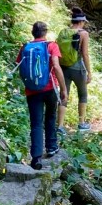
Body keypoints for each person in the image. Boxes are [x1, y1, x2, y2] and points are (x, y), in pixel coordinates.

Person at [17, 21, 67, 170]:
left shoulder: (25, 47)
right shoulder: (51, 46)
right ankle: (51, 147)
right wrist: (64, 89)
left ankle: (36, 158)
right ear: (45, 33)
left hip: (32, 91)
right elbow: (56, 67)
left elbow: (22, 69)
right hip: (50, 88)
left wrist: (29, 84)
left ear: (33, 33)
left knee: (36, 123)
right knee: (50, 116)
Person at [56, 7, 92, 133]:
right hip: (78, 69)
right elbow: (85, 54)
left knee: (64, 94)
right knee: (82, 94)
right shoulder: (83, 34)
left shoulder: (64, 32)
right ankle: (81, 123)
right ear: (81, 22)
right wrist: (89, 72)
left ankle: (60, 126)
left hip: (64, 68)